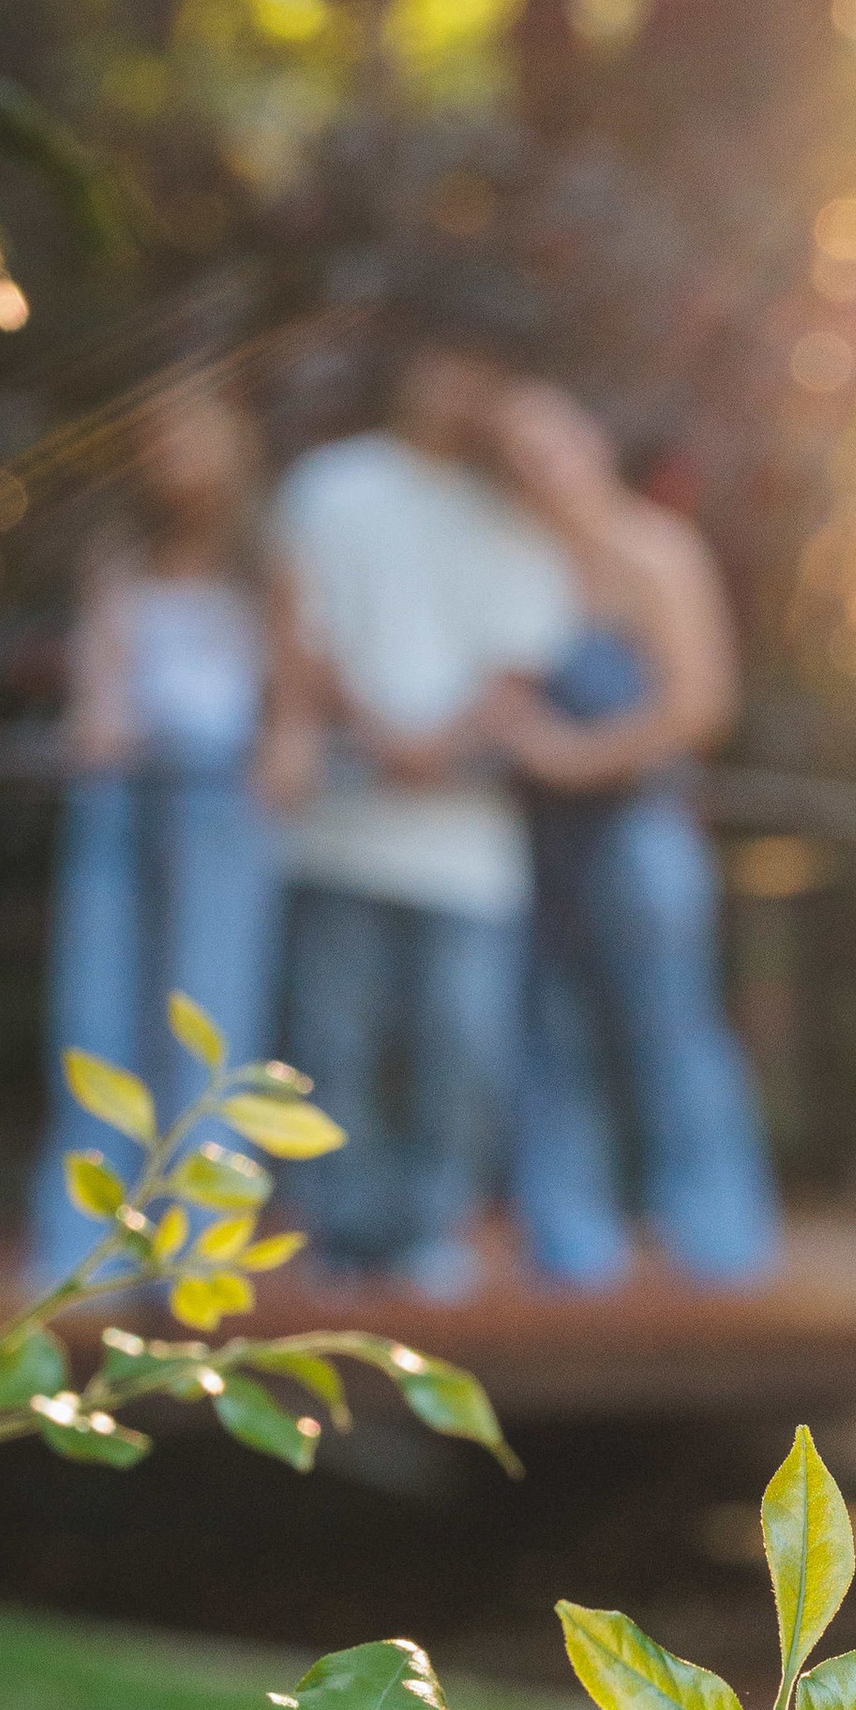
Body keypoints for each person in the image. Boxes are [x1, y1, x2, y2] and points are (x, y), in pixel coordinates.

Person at [255, 281, 576, 1298]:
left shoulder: (512, 516)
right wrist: (373, 729)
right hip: (339, 829)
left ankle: (432, 1229)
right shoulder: (329, 489)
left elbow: (521, 659)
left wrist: (436, 743)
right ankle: (346, 1238)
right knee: (330, 1052)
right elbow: (298, 628)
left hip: (465, 846)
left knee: (459, 1053)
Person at [487, 382, 780, 1291]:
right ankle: (571, 1249)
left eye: (555, 448)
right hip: (530, 840)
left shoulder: (655, 551)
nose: (544, 472)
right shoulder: (514, 565)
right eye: (520, 461)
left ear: (593, 445)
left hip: (638, 833)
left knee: (672, 1033)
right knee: (547, 1039)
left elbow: (701, 705)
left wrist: (578, 758)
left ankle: (719, 1245)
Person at [26, 366, 275, 1284]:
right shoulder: (120, 551)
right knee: (95, 1022)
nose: (170, 454)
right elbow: (99, 686)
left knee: (210, 1028)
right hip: (127, 794)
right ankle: (83, 1253)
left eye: (187, 432)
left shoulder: (263, 555)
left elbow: (294, 692)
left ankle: (199, 1253)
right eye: (156, 436)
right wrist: (95, 722)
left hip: (219, 801)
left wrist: (279, 755)